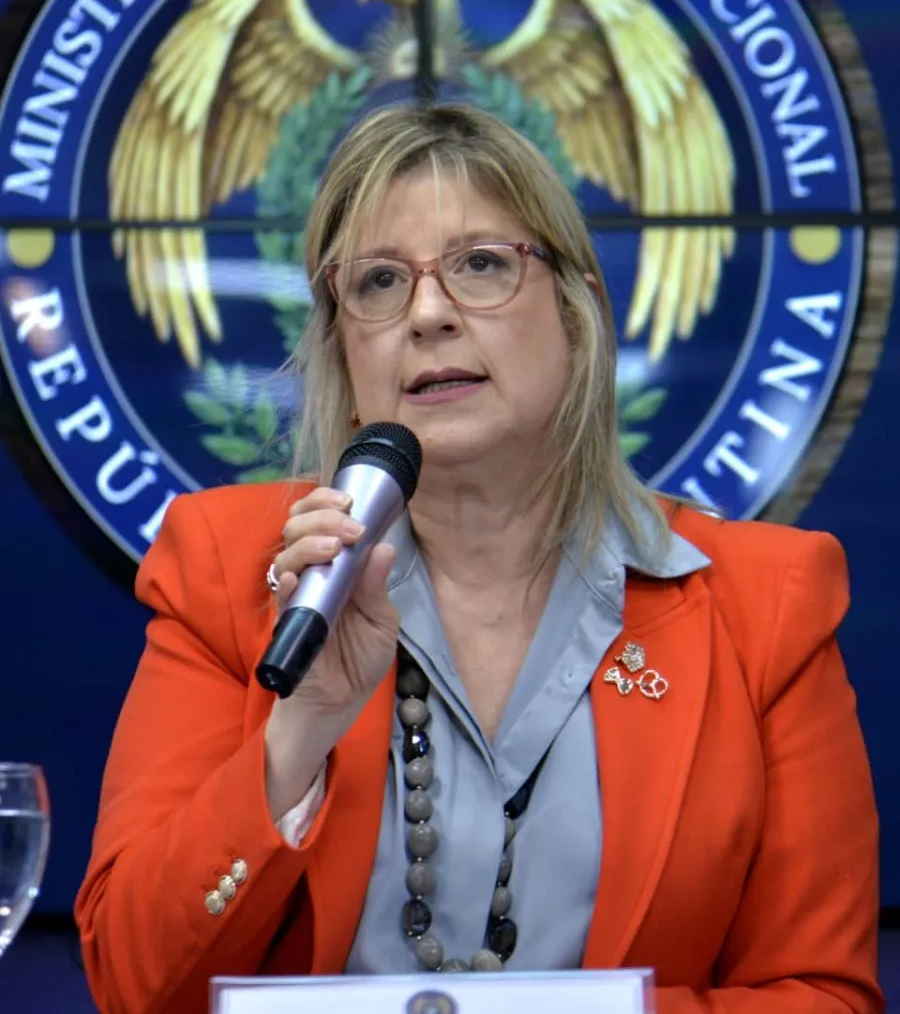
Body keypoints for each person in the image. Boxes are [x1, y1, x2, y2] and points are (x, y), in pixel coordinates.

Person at [75, 103, 882, 1014]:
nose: (428, 314)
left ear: (578, 312)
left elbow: (820, 996)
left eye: (482, 265)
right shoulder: (228, 572)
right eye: (380, 282)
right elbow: (134, 983)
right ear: (343, 348)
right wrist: (297, 735)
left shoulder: (767, 603)